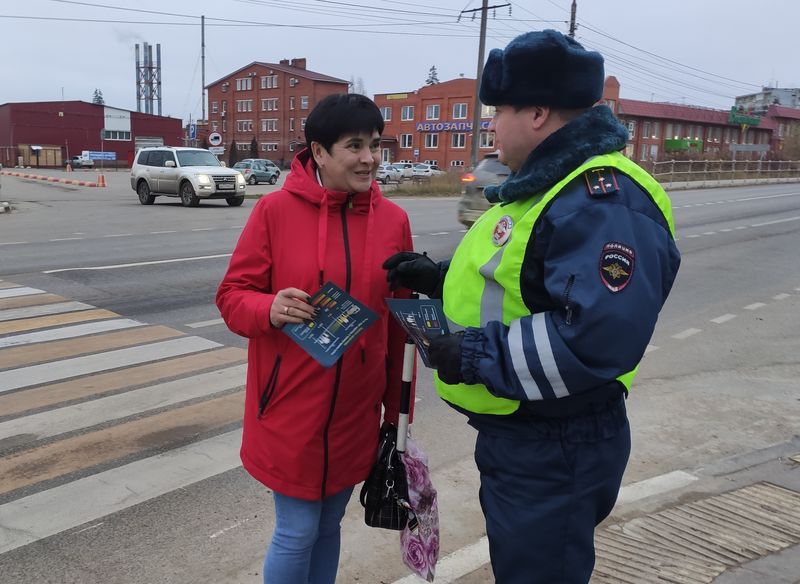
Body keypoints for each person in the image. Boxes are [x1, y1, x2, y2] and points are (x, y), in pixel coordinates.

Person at [383, 30, 681, 583]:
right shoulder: (545, 187)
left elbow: (596, 337)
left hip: (556, 446)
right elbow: (521, 279)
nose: (491, 125)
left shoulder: (599, 198)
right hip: (527, 437)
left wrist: (472, 352)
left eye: (499, 111)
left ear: (539, 113)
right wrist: (440, 279)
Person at [217, 93, 415, 584]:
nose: (369, 158)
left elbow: (398, 327)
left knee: (329, 524)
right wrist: (270, 308)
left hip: (356, 412)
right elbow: (232, 297)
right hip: (289, 405)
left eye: (374, 145)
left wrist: (397, 414)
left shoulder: (394, 221)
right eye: (354, 145)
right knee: (298, 529)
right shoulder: (274, 212)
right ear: (319, 152)